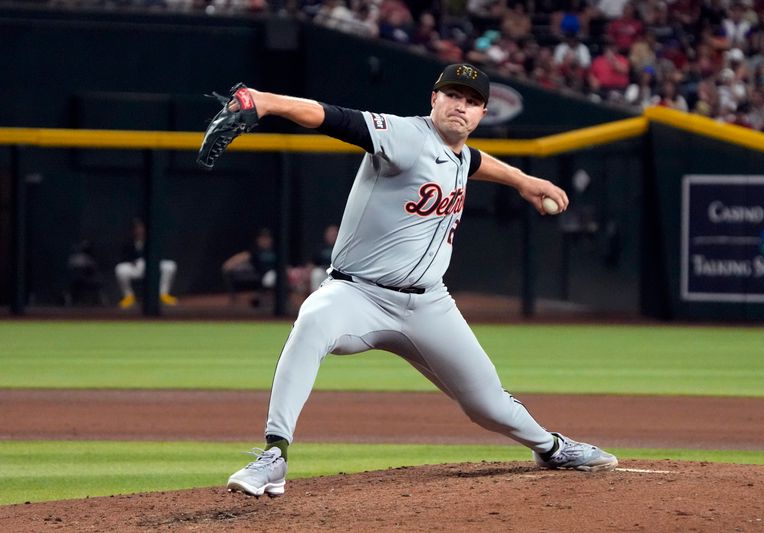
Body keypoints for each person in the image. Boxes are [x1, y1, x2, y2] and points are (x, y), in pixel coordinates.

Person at [197, 63, 618, 499]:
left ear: (482, 114)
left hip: (430, 306)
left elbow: (473, 161)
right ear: (433, 99)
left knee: (486, 402)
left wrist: (522, 180)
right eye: (453, 95)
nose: (461, 106)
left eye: (472, 102)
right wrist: (264, 102)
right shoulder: (406, 136)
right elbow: (333, 117)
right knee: (312, 321)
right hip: (356, 294)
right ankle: (274, 454)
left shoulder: (457, 153)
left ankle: (551, 448)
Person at [114, 218, 177, 309]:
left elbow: (159, 255)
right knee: (120, 269)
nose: (139, 230)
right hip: (136, 268)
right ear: (133, 230)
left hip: (152, 267)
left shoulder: (153, 241)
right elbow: (124, 258)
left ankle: (163, 294)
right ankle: (129, 297)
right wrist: (132, 261)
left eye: (141, 228)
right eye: (137, 228)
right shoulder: (129, 242)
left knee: (170, 266)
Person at [222, 227, 278, 305]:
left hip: (278, 275)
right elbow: (243, 256)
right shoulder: (256, 251)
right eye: (263, 238)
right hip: (265, 277)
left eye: (267, 238)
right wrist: (229, 263)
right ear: (258, 240)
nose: (265, 241)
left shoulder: (276, 251)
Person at [308, 224, 339, 292]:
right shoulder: (321, 248)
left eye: (334, 234)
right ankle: (315, 297)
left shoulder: (341, 248)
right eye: (330, 234)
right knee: (316, 273)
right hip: (323, 272)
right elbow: (312, 263)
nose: (332, 236)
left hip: (337, 274)